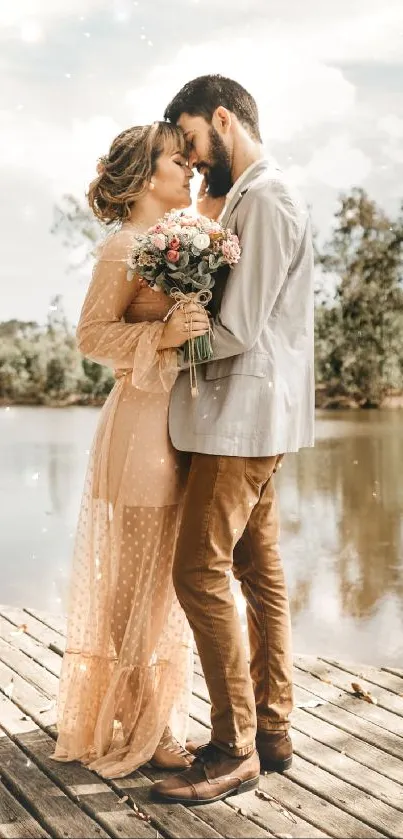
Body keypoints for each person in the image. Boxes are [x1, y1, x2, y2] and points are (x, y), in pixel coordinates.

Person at [152, 76, 315, 804]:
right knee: (258, 569)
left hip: (240, 420)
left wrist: (163, 345)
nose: (190, 159)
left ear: (222, 118)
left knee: (198, 572)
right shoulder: (244, 196)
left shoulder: (269, 197)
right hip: (242, 418)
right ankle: (271, 730)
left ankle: (231, 747)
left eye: (189, 139)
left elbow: (237, 329)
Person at [52, 121, 209, 779]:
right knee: (137, 580)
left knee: (164, 577)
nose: (191, 173)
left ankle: (144, 706)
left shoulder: (182, 241)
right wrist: (166, 333)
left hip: (179, 424)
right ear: (148, 175)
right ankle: (144, 716)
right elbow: (90, 336)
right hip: (138, 428)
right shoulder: (122, 247)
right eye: (180, 162)